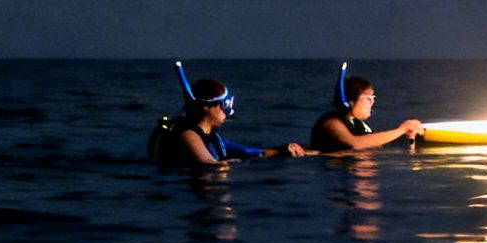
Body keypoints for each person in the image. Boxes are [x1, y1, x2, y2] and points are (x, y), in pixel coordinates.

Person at [148, 63, 307, 168]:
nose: (227, 111)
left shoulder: (210, 136)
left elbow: (246, 152)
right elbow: (208, 164)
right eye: (224, 105)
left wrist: (280, 151)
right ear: (207, 107)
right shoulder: (188, 134)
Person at [311, 63, 423, 151]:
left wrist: (410, 138)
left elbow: (373, 145)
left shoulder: (358, 124)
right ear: (350, 102)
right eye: (368, 98)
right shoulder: (331, 123)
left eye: (373, 98)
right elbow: (356, 144)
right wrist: (402, 129)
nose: (372, 102)